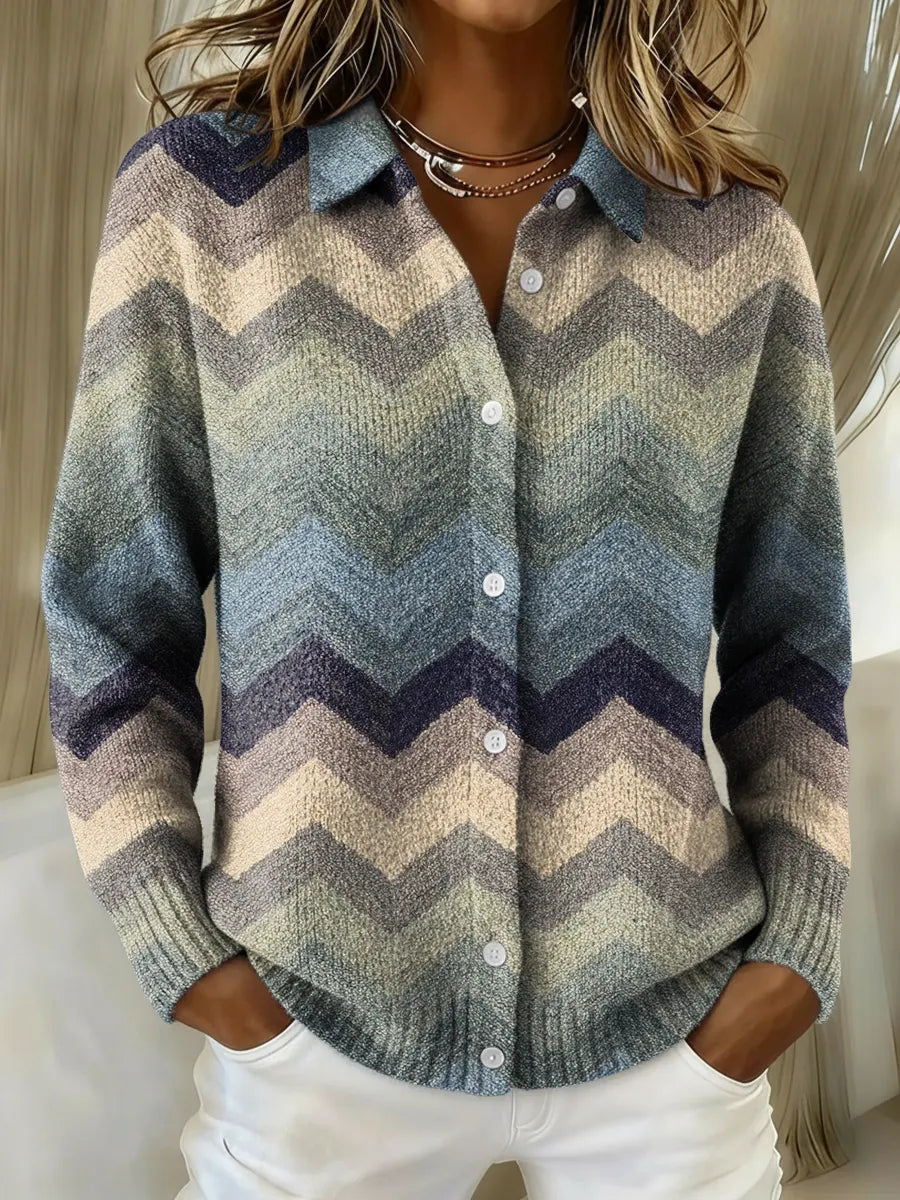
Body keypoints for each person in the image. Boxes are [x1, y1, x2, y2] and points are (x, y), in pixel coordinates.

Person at [39, 1, 853, 1197]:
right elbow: (109, 618)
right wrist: (192, 957)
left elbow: (796, 646)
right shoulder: (203, 206)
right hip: (315, 1052)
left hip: (671, 1052)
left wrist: (793, 958)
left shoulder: (732, 245)